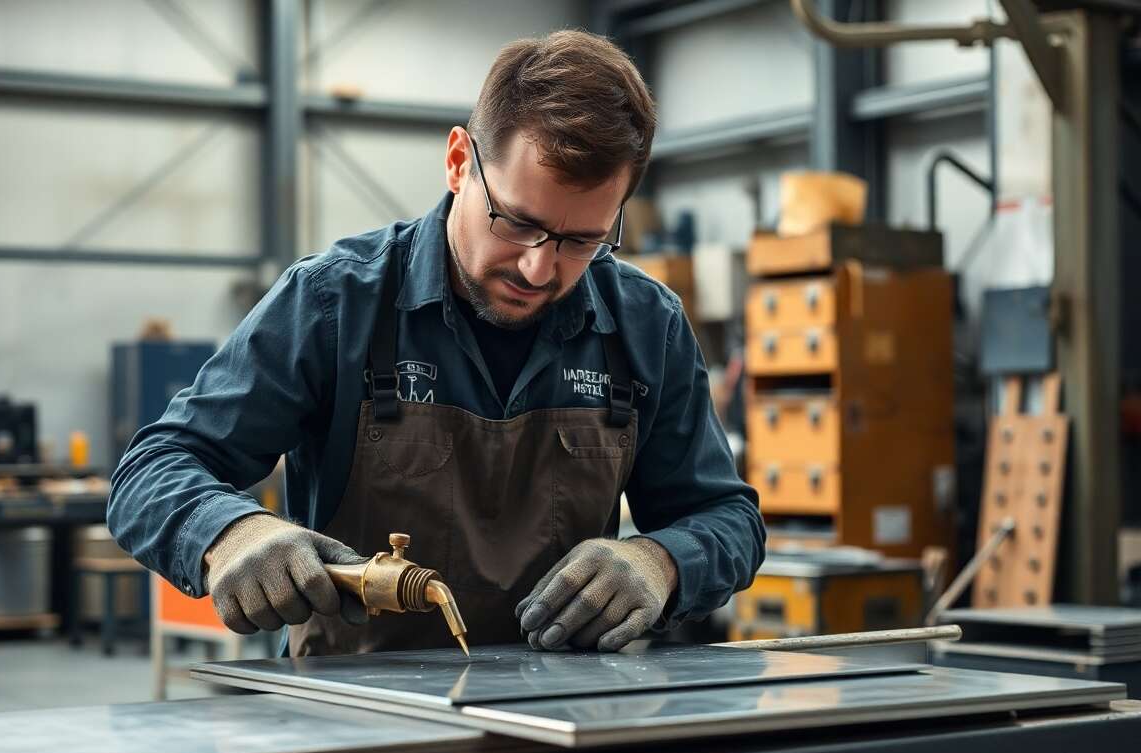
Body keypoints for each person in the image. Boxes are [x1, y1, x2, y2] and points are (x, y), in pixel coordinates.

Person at [108, 29, 763, 657]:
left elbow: (726, 517)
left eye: (580, 241)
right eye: (517, 223)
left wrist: (661, 561)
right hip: (354, 717)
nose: (539, 269)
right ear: (459, 162)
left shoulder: (647, 326)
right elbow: (152, 470)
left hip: (565, 717)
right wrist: (230, 531)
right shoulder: (335, 304)